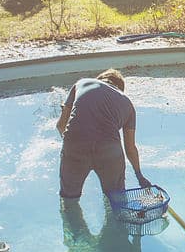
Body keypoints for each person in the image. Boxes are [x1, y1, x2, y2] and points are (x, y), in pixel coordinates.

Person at [56, 68, 150, 198]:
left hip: (76, 143)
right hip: (110, 151)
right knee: (116, 199)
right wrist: (139, 176)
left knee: (68, 199)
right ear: (120, 88)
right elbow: (130, 148)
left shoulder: (82, 83)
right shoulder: (127, 104)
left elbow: (60, 126)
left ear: (99, 79)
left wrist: (72, 148)